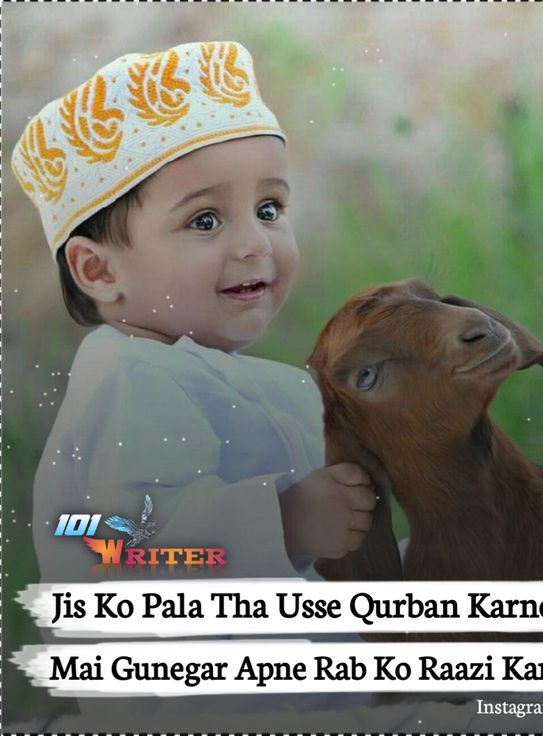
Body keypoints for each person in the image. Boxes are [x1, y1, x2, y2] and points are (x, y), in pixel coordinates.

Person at [12, 40, 378, 584]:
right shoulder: (131, 382)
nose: (255, 243)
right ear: (99, 272)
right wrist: (284, 523)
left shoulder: (192, 372)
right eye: (205, 221)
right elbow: (109, 549)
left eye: (268, 209)